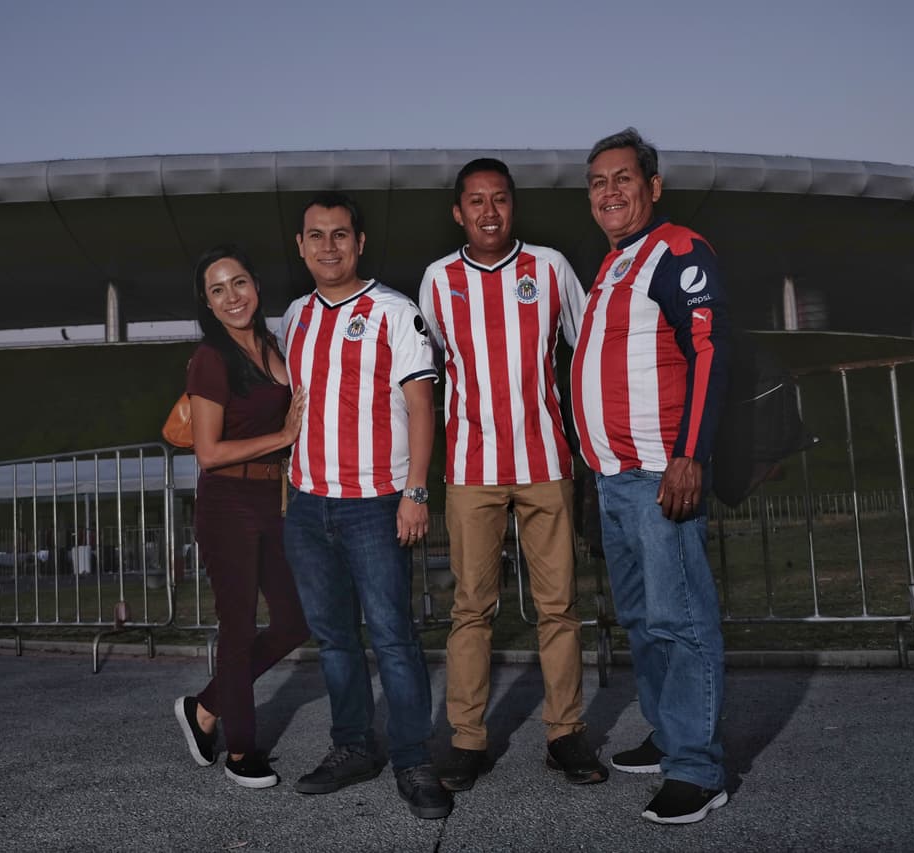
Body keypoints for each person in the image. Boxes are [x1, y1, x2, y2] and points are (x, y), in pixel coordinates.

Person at [417, 158, 606, 790]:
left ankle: (565, 734)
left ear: (512, 206)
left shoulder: (549, 268)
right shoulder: (438, 280)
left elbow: (586, 351)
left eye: (499, 199)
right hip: (471, 469)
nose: (488, 212)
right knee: (471, 609)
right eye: (476, 201)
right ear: (457, 212)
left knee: (560, 606)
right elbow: (429, 371)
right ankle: (468, 739)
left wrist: (593, 443)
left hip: (546, 463)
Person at [569, 128, 731, 824]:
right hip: (614, 478)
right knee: (641, 619)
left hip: (662, 470)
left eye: (624, 178)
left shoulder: (678, 249)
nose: (610, 191)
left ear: (653, 186)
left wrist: (689, 453)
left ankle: (698, 769)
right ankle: (669, 737)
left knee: (681, 618)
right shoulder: (612, 264)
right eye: (599, 182)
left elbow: (708, 347)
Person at [279, 192, 452, 820]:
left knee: (393, 638)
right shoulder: (294, 316)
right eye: (316, 236)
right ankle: (352, 748)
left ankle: (413, 759)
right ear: (300, 246)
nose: (329, 247)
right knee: (333, 640)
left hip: (375, 504)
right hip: (308, 505)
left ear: (360, 243)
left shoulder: (393, 312)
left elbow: (421, 407)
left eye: (341, 235)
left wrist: (415, 491)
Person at [173, 244, 310, 789]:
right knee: (238, 626)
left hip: (272, 501)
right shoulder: (211, 358)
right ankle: (241, 752)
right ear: (206, 303)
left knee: (295, 622)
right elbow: (207, 452)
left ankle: (205, 707)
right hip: (227, 502)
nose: (232, 297)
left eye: (239, 283)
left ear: (256, 284)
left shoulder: (275, 347)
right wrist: (282, 436)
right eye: (217, 289)